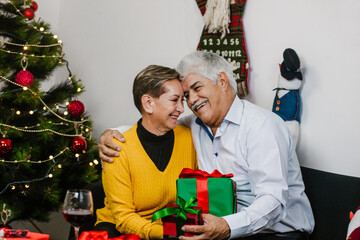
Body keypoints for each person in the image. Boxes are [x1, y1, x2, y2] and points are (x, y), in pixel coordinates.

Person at [99, 51, 315, 240]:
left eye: (196, 88)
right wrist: (111, 134)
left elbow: (274, 202)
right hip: (220, 230)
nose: (190, 101)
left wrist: (227, 227)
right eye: (185, 95)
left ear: (222, 80)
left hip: (276, 232)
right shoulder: (195, 125)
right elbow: (153, 128)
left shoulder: (261, 126)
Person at [94, 65, 197, 240]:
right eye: (174, 100)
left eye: (183, 99)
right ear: (148, 103)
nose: (182, 108)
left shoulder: (190, 139)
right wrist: (166, 235)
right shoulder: (117, 149)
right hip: (120, 230)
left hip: (170, 230)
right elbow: (124, 219)